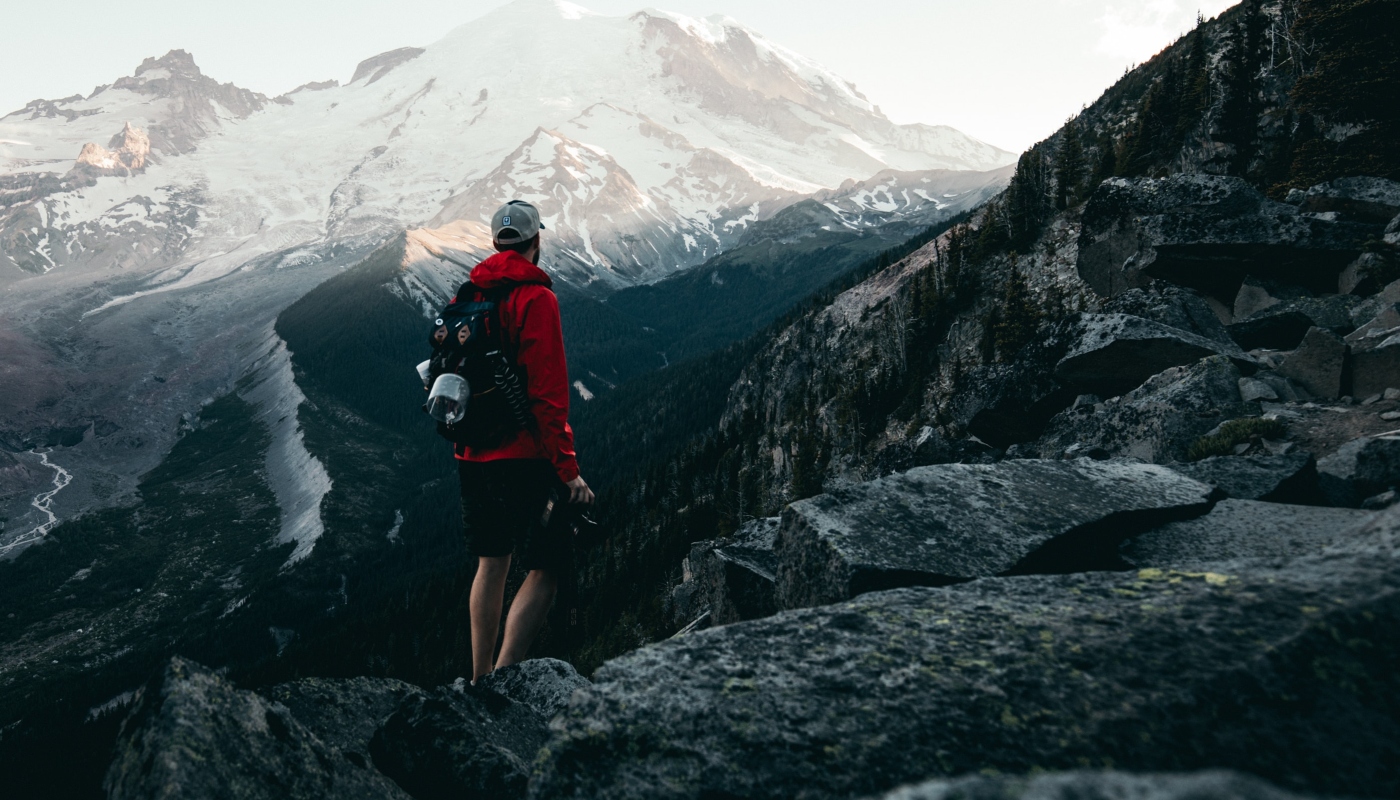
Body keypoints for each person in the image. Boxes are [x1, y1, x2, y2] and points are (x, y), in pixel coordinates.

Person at [456, 200, 593, 683]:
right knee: (547, 565)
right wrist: (568, 469)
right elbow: (549, 395)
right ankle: (506, 676)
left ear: (496, 243)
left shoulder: (469, 293)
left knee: (491, 561)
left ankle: (476, 681)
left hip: (470, 452)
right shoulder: (537, 299)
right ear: (537, 242)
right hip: (522, 457)